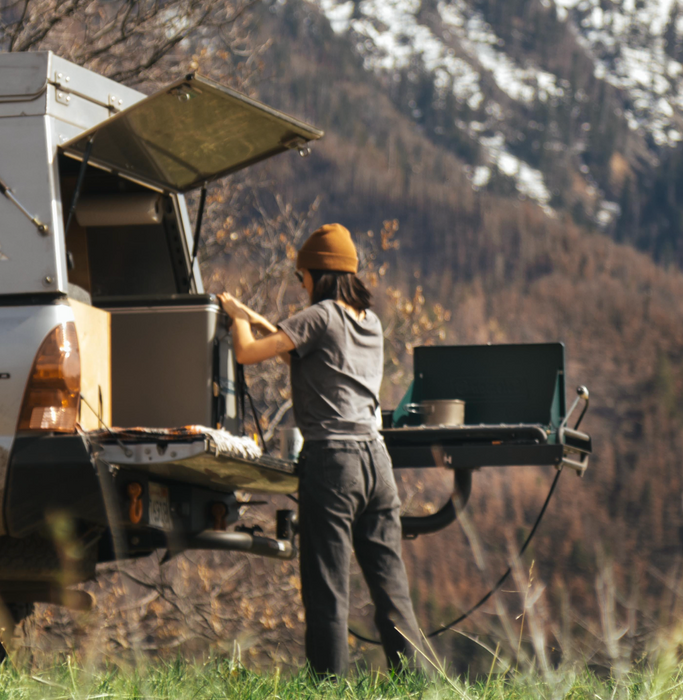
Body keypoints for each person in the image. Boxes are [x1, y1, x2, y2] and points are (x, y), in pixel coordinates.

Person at [218, 223, 423, 676]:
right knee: (392, 590)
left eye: (301, 276)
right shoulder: (370, 322)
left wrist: (236, 317)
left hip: (334, 464)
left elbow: (249, 353)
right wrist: (257, 317)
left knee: (327, 591)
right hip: (377, 465)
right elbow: (306, 352)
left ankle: (328, 687)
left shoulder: (320, 315)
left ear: (318, 274)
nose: (301, 284)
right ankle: (421, 685)